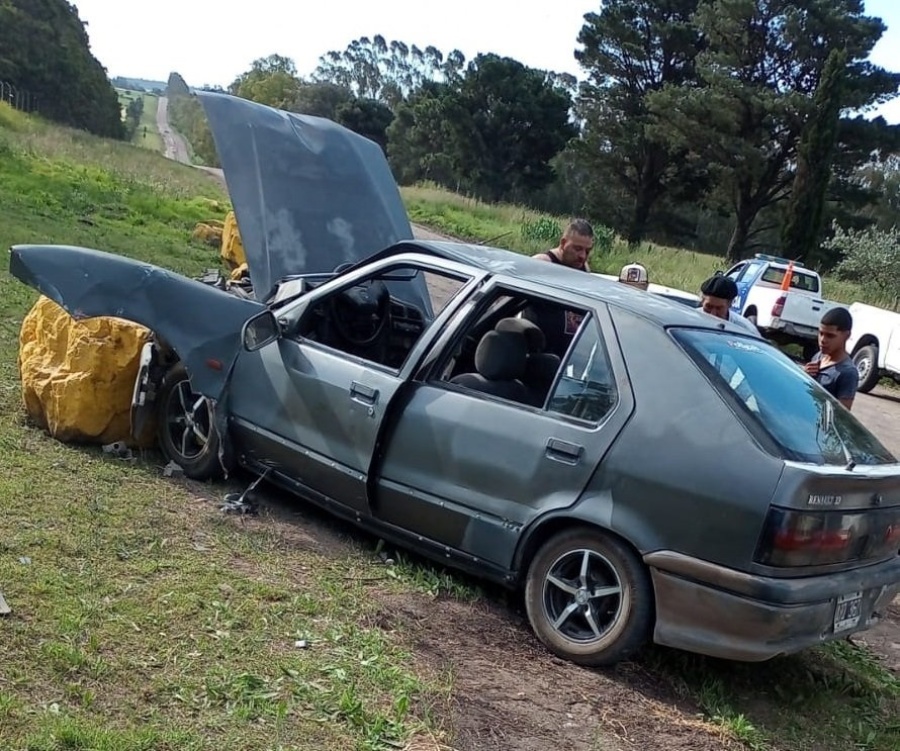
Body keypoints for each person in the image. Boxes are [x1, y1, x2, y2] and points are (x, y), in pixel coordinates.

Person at [804, 307, 859, 410]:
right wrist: (804, 376)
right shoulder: (818, 357)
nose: (823, 340)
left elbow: (842, 415)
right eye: (821, 333)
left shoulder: (848, 372)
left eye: (830, 336)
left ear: (846, 336)